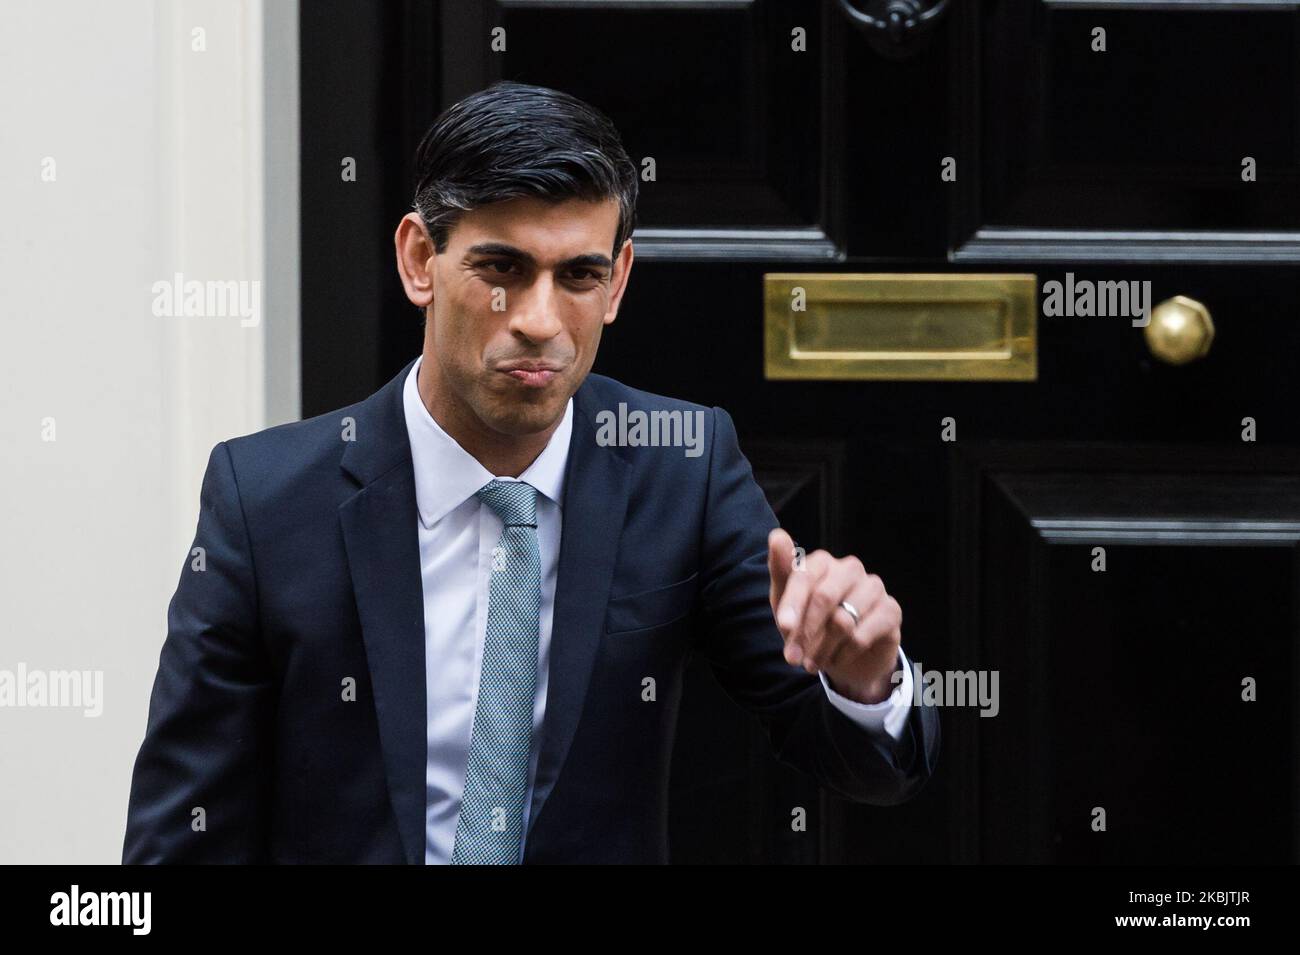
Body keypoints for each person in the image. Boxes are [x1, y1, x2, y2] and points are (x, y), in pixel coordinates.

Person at [122, 81, 939, 864]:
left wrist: (865, 682)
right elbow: (184, 834)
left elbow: (860, 762)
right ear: (419, 261)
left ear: (617, 281)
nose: (541, 321)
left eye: (578, 275)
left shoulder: (680, 466)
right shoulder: (264, 501)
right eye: (502, 270)